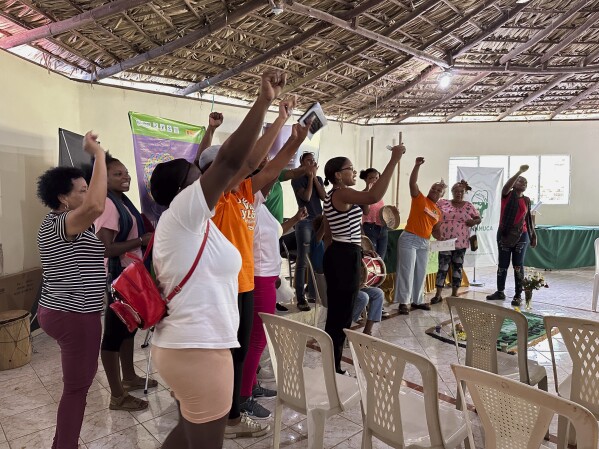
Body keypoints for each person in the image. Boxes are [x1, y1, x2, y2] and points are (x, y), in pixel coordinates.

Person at [148, 70, 282, 448]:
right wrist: (263, 102)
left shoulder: (193, 224)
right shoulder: (183, 212)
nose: (210, 180)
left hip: (191, 345)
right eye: (197, 175)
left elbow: (243, 167)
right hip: (198, 349)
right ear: (185, 189)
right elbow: (229, 163)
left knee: (188, 435)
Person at [195, 75, 295, 439]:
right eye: (235, 167)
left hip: (246, 282)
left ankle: (232, 416)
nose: (246, 171)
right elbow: (248, 158)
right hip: (221, 287)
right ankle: (216, 414)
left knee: (238, 353)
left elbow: (269, 166)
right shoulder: (216, 196)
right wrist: (265, 105)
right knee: (224, 355)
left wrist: (286, 127)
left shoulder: (243, 194)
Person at [36, 132, 107, 449]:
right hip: (74, 314)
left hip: (60, 309)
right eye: (81, 189)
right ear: (63, 199)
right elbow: (95, 205)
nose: (88, 193)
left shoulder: (59, 222)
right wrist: (100, 156)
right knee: (77, 388)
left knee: (77, 384)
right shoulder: (62, 223)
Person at [240, 124, 313, 420]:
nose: (267, 174)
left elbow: (274, 233)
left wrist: (295, 218)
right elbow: (271, 172)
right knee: (256, 340)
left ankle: (250, 385)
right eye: (260, 171)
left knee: (257, 339)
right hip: (256, 278)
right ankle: (243, 396)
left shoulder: (257, 203)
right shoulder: (244, 200)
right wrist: (294, 142)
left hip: (266, 276)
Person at [322, 144, 405, 374]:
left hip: (340, 252)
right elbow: (374, 196)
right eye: (350, 168)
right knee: (341, 314)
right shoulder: (341, 192)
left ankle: (333, 362)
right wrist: (393, 160)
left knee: (338, 313)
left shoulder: (332, 196)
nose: (354, 171)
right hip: (344, 255)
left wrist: (353, 250)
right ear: (338, 175)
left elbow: (329, 233)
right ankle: (334, 366)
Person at [94, 154, 154, 411]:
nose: (126, 176)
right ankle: (117, 395)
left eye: (126, 172)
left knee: (128, 327)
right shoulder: (108, 205)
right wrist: (140, 241)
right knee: (113, 334)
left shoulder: (121, 201)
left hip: (130, 275)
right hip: (118, 279)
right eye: (117, 174)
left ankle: (128, 377)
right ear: (103, 179)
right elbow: (106, 248)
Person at [393, 157, 445, 315]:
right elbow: (412, 183)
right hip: (409, 238)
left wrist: (442, 238)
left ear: (441, 195)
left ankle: (418, 300)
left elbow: (435, 230)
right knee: (406, 270)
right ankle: (404, 302)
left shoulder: (439, 212)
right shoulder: (420, 198)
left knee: (421, 271)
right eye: (433, 188)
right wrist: (416, 166)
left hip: (424, 242)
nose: (434, 191)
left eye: (438, 191)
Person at [487, 165, 537, 306]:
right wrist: (519, 172)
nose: (523, 183)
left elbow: (528, 218)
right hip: (505, 234)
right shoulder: (506, 195)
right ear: (514, 183)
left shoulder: (526, 200)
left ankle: (518, 295)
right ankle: (500, 291)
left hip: (522, 236)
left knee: (518, 265)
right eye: (520, 181)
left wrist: (534, 235)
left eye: (525, 182)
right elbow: (506, 186)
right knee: (502, 265)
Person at [431, 180, 481, 304]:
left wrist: (473, 222)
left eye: (461, 192)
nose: (459, 194)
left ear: (464, 193)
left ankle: (455, 294)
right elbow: (432, 211)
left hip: (461, 242)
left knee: (457, 267)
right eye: (456, 191)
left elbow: (478, 218)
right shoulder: (443, 203)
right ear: (452, 192)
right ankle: (438, 295)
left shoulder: (468, 205)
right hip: (445, 241)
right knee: (442, 267)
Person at [292, 151, 326, 311]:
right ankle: (300, 297)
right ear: (301, 163)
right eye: (308, 161)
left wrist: (316, 178)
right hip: (305, 222)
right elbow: (306, 197)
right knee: (303, 260)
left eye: (313, 161)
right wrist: (311, 178)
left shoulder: (318, 179)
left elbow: (324, 197)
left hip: (318, 222)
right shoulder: (297, 179)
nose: (311, 163)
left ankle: (313, 293)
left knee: (317, 258)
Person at [360, 168, 389, 258]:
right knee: (372, 258)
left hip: (383, 228)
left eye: (377, 178)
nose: (375, 180)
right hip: (370, 228)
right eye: (371, 178)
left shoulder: (379, 195)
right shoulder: (362, 194)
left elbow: (381, 212)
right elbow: (366, 211)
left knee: (381, 260)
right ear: (365, 179)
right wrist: (368, 190)